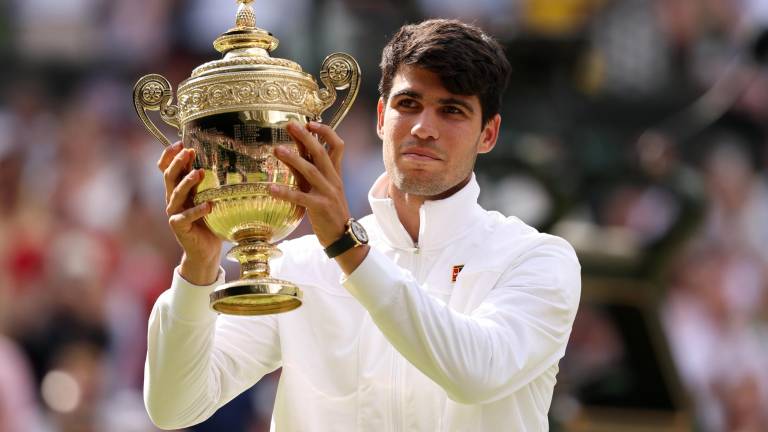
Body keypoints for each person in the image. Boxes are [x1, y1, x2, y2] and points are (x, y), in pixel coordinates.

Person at [144, 19, 581, 431]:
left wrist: (345, 245)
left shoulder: (537, 258)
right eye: (408, 104)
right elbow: (175, 406)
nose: (424, 128)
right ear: (379, 117)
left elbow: (476, 374)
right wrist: (198, 270)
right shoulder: (298, 266)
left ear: (489, 134)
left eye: (452, 111)